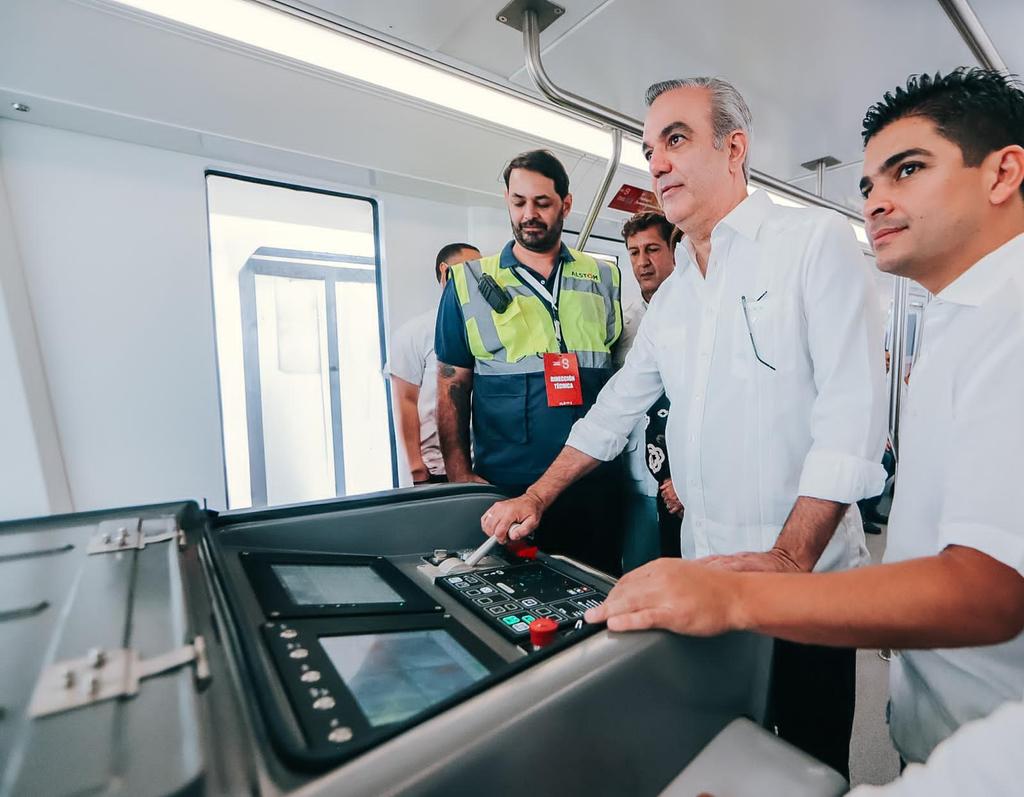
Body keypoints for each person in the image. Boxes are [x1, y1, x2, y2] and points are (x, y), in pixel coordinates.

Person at [587, 68, 1024, 770]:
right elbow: (619, 408)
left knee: (809, 755)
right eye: (869, 183)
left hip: (985, 738)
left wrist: (756, 585)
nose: (877, 201)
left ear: (1003, 172)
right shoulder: (957, 319)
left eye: (908, 170)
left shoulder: (1008, 317)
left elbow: (990, 586)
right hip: (931, 713)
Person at [482, 78, 887, 777]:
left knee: (807, 771)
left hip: (807, 585)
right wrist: (537, 496)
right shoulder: (674, 297)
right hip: (712, 587)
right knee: (724, 762)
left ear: (734, 149)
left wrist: (789, 560)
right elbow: (614, 412)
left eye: (675, 139)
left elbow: (852, 415)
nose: (657, 163)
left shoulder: (811, 243)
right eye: (648, 148)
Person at [435, 149, 624, 575]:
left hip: (591, 480)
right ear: (507, 200)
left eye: (542, 203)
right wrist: (458, 472)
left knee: (595, 593)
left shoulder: (604, 277)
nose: (529, 215)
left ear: (566, 204)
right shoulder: (468, 282)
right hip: (508, 486)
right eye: (519, 202)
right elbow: (452, 383)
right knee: (518, 600)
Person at [615, 211, 681, 570]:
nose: (643, 262)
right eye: (634, 252)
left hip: (689, 473)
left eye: (652, 249)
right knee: (640, 569)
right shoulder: (623, 325)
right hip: (639, 471)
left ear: (674, 249)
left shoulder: (700, 314)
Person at [386, 242, 480, 485]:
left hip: (482, 464)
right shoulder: (414, 332)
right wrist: (416, 468)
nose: (477, 279)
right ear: (445, 272)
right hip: (437, 469)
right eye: (470, 270)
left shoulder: (485, 332)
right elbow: (404, 401)